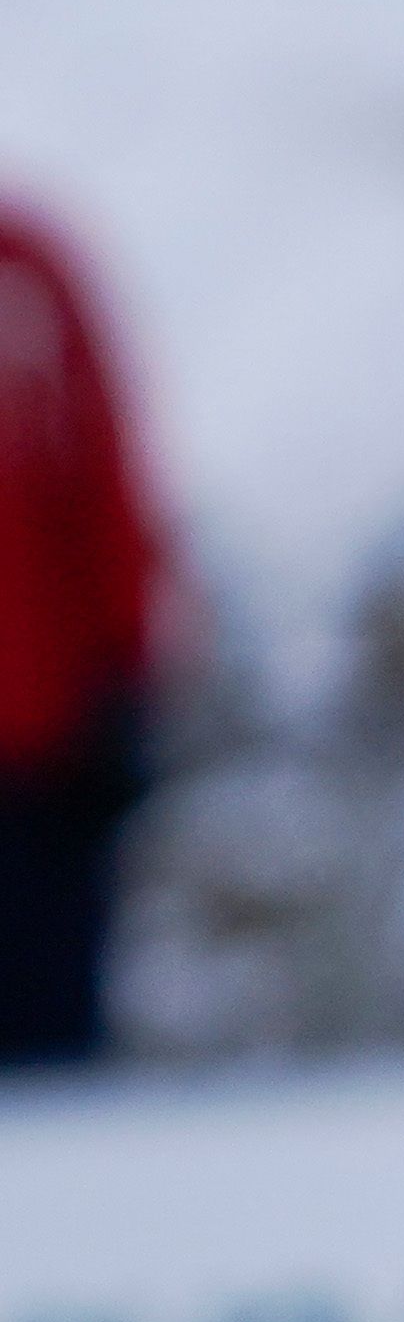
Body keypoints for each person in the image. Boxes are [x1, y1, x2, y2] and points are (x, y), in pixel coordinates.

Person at [0, 190, 172, 1066]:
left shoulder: (30, 273)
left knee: (51, 1053)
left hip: (43, 754)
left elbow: (107, 491)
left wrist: (125, 686)